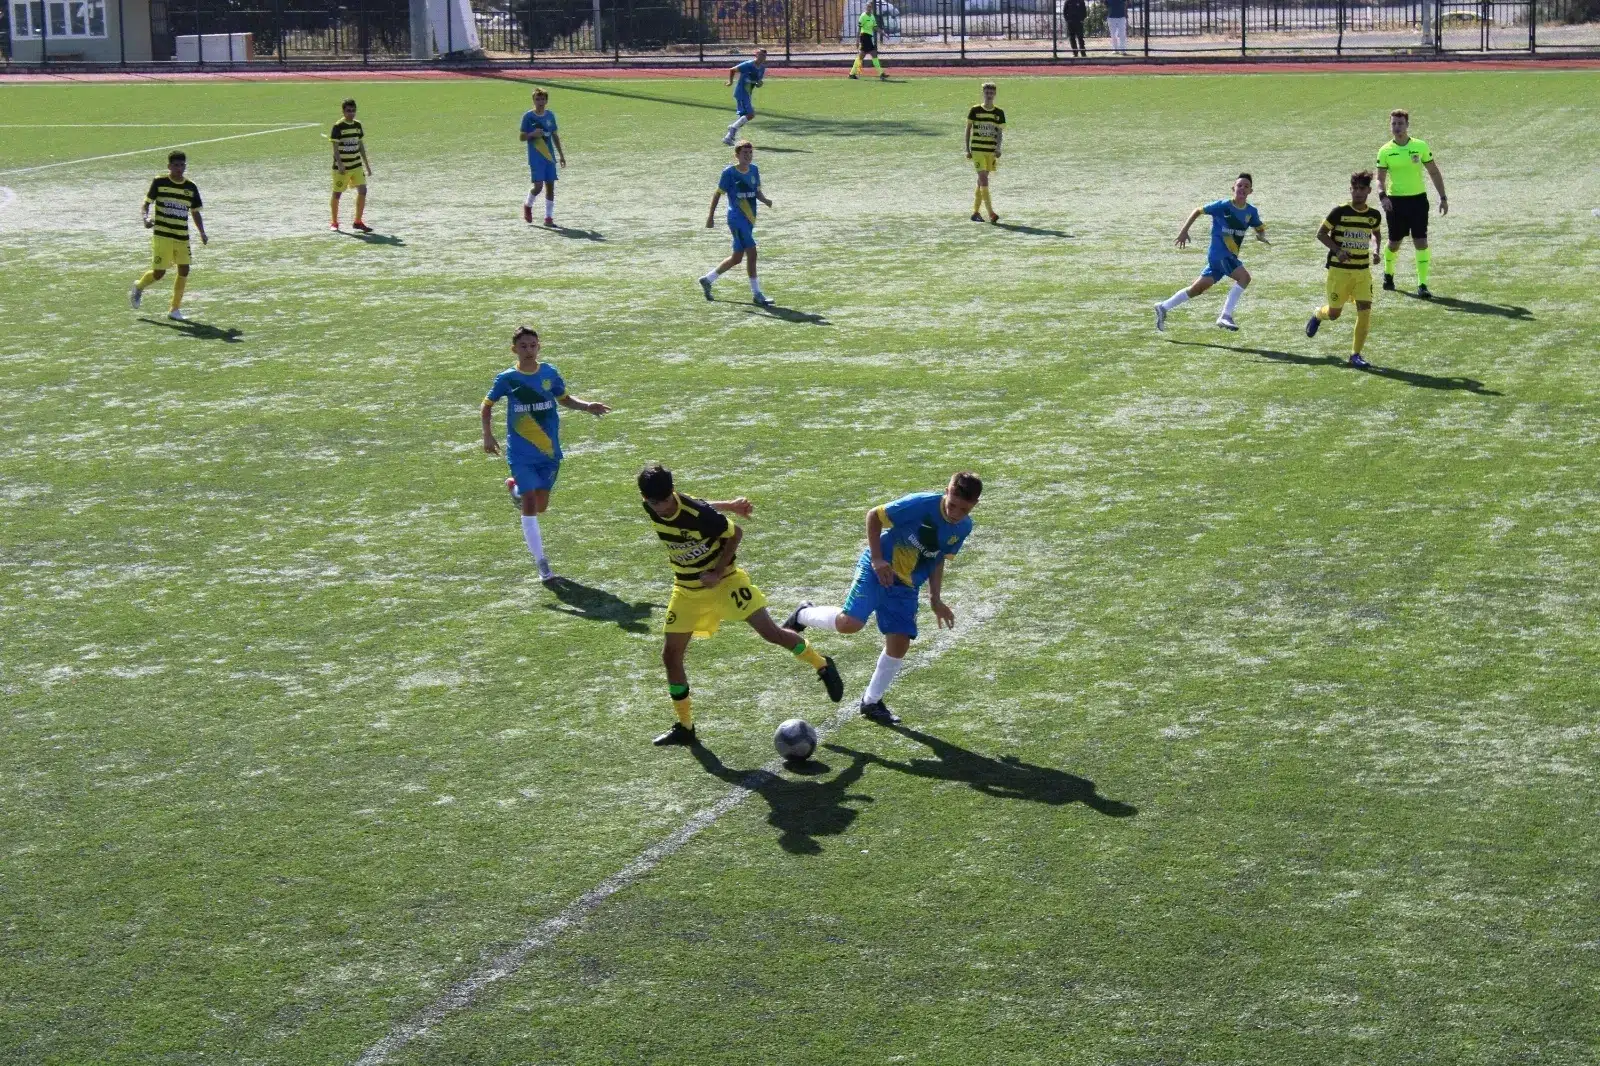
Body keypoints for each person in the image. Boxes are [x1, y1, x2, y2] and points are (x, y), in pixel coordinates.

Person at [637, 464, 844, 747]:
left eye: (662, 501)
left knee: (771, 633)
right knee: (670, 657)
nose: (658, 508)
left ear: (671, 493)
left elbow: (735, 535)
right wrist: (731, 505)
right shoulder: (652, 505)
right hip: (686, 590)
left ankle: (821, 664)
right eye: (652, 502)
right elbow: (701, 503)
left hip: (726, 583)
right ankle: (685, 727)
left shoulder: (698, 516)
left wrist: (718, 572)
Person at [782, 473, 981, 725]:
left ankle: (871, 702)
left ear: (974, 505)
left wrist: (935, 598)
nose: (955, 513)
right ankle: (802, 614)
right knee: (850, 624)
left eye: (963, 509)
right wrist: (877, 559)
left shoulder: (964, 527)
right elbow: (874, 516)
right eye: (952, 504)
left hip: (906, 585)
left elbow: (938, 558)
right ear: (946, 492)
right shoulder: (921, 504)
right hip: (880, 570)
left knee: (899, 645)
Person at [481, 326, 609, 584]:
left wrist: (587, 406)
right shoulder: (507, 378)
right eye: (523, 346)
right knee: (530, 504)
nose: (528, 350)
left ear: (539, 346)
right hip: (520, 453)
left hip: (549, 452)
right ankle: (543, 566)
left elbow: (564, 398)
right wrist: (487, 435)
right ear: (514, 349)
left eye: (533, 345)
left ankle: (514, 490)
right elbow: (487, 405)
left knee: (541, 506)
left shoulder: (549, 373)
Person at [1154, 173, 1269, 333]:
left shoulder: (1251, 212)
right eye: (1239, 185)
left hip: (1225, 259)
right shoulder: (1222, 206)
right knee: (1245, 277)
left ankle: (1163, 306)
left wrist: (1261, 236)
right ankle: (1225, 315)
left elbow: (1259, 228)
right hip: (1220, 255)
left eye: (1246, 186)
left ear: (1250, 191)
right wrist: (1183, 231)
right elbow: (1198, 210)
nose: (1242, 188)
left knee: (1196, 289)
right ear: (1233, 188)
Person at [1306, 170, 1384, 369]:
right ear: (1350, 189)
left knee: (1365, 310)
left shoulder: (1373, 215)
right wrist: (1337, 250)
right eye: (1354, 188)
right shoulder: (1339, 211)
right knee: (1334, 314)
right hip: (1339, 272)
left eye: (1362, 189)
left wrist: (1376, 250)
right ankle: (1318, 314)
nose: (1357, 192)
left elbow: (1375, 233)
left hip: (1362, 272)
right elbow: (1321, 233)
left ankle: (1355, 355)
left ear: (1368, 190)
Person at [1375, 108, 1447, 298]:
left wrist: (1443, 197)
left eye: (1400, 123)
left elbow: (1433, 171)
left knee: (1421, 242)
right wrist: (1382, 196)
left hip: (1418, 201)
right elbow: (1379, 178)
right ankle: (1388, 274)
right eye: (1393, 124)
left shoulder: (1420, 146)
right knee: (1394, 243)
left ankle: (1422, 284)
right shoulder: (1385, 151)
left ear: (1407, 125)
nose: (1397, 127)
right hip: (1395, 202)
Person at [130, 150, 207, 322]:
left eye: (182, 165)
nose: (179, 169)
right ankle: (139, 286)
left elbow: (195, 212)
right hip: (162, 235)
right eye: (176, 165)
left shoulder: (191, 187)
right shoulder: (160, 182)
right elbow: (146, 204)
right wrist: (145, 218)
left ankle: (174, 309)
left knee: (184, 269)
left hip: (182, 236)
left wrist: (202, 232)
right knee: (159, 274)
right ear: (169, 166)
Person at [699, 140, 773, 307]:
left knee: (737, 257)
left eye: (750, 153)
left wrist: (765, 200)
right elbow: (718, 194)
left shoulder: (754, 170)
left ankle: (708, 279)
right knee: (752, 253)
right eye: (744, 154)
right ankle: (757, 294)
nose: (748, 156)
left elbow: (756, 191)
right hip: (736, 219)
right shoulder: (729, 173)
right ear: (737, 155)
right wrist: (710, 217)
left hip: (749, 219)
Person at [519, 87, 566, 227]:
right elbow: (521, 137)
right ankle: (528, 205)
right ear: (533, 100)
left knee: (550, 187)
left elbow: (555, 136)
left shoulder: (550, 116)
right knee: (538, 187)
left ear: (546, 100)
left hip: (549, 157)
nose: (540, 101)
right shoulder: (528, 117)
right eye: (537, 99)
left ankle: (548, 217)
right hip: (536, 157)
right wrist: (532, 134)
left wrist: (561, 155)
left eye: (543, 99)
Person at [329, 98, 373, 233]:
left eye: (353, 110)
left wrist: (366, 165)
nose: (351, 113)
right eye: (348, 111)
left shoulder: (357, 125)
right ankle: (334, 222)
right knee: (337, 194)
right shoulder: (338, 127)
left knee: (363, 191)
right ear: (343, 111)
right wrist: (340, 165)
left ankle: (358, 221)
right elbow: (335, 148)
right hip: (342, 169)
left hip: (356, 166)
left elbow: (360, 145)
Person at [965, 82, 1006, 224]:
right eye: (986, 93)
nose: (989, 95)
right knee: (984, 179)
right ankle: (991, 213)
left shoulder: (999, 113)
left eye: (991, 93)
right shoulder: (975, 110)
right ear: (983, 93)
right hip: (977, 150)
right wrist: (967, 149)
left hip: (990, 151)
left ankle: (975, 213)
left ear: (995, 94)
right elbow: (968, 129)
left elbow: (1000, 133)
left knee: (981, 182)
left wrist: (998, 148)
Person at [723, 48, 768, 146]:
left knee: (743, 118)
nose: (762, 57)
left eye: (764, 56)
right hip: (741, 92)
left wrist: (759, 83)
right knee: (750, 114)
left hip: (748, 93)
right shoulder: (748, 65)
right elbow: (732, 70)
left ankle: (728, 137)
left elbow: (757, 82)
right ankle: (732, 129)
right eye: (760, 55)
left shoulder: (762, 68)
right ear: (755, 55)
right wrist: (730, 82)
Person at [850, 2, 888, 80]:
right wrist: (857, 40)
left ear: (872, 8)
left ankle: (852, 73)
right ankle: (881, 73)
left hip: (868, 38)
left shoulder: (872, 17)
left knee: (862, 56)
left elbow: (875, 27)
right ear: (866, 7)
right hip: (864, 37)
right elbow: (859, 29)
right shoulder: (863, 16)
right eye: (868, 7)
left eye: (870, 7)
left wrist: (883, 33)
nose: (869, 8)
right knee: (873, 54)